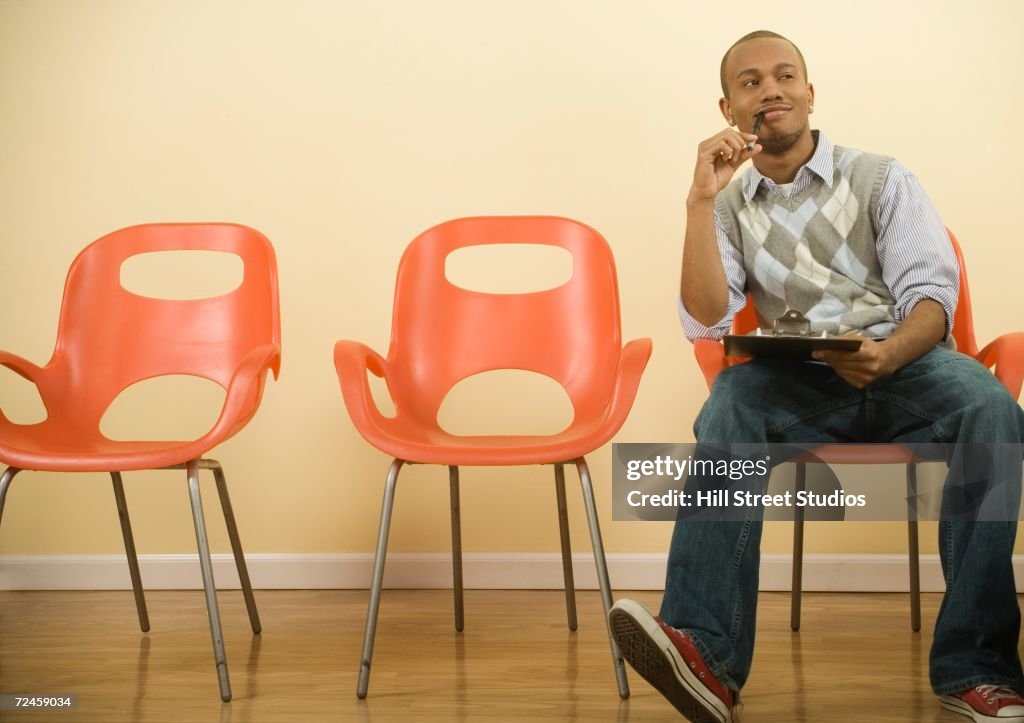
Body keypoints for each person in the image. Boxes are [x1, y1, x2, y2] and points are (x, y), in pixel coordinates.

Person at [609, 30, 1024, 723]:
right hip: (800, 381)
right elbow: (707, 321)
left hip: (905, 364)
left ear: (809, 92)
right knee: (730, 404)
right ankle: (705, 656)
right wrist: (699, 202)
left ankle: (977, 667)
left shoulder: (882, 178)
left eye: (784, 76)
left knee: (990, 407)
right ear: (727, 107)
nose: (770, 90)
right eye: (750, 82)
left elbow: (933, 295)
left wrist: (888, 355)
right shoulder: (729, 204)